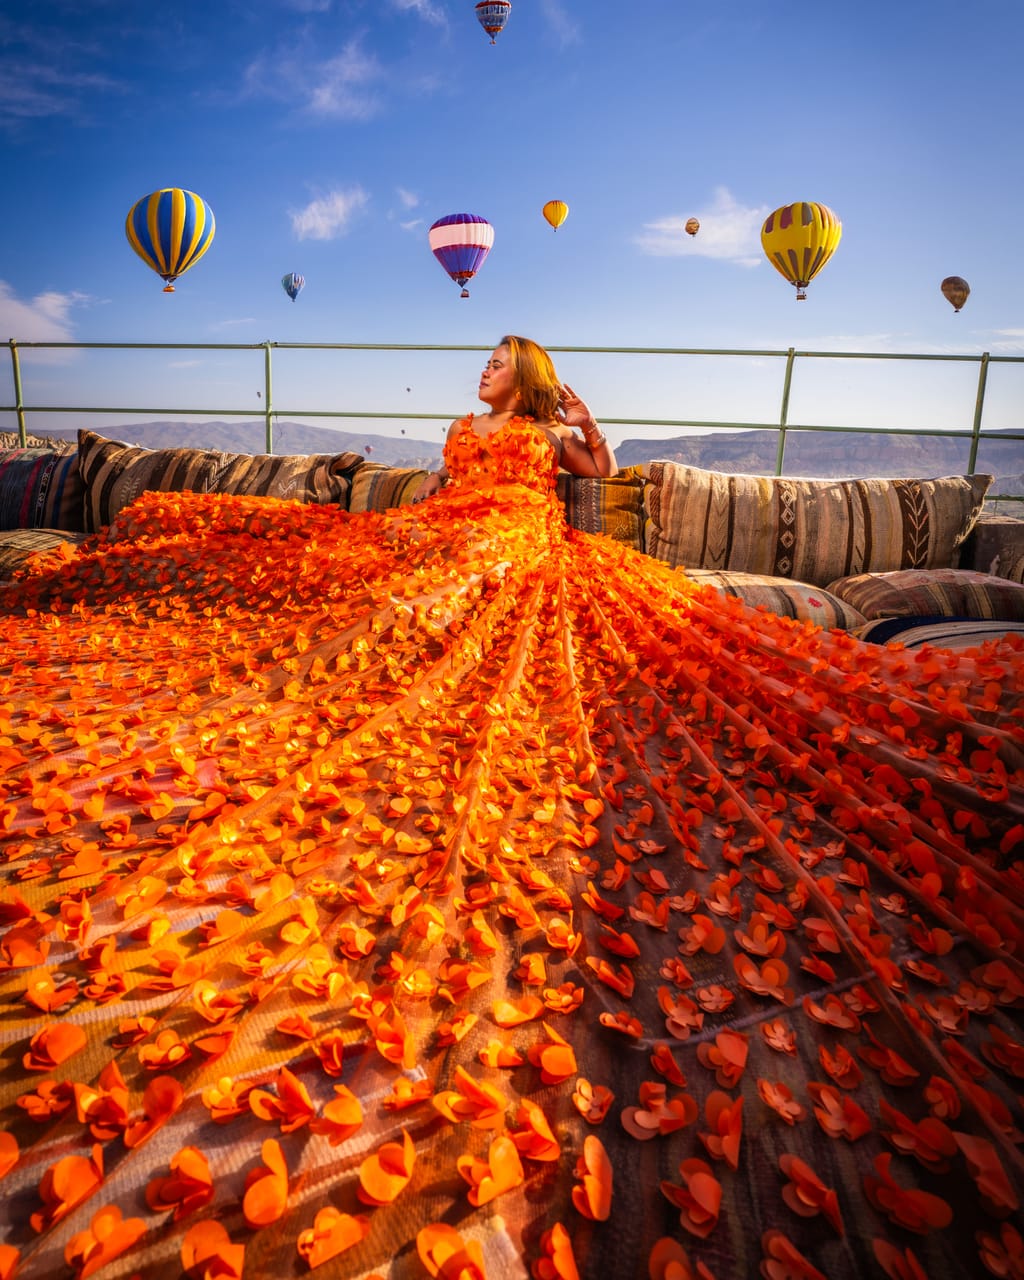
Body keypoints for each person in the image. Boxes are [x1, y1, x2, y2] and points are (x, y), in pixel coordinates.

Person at [0, 337, 1021, 1280]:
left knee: (479, 596)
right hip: (442, 539)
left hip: (519, 553)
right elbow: (446, 496)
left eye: (496, 361)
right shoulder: (459, 434)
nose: (480, 372)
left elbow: (595, 474)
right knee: (330, 575)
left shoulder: (543, 433)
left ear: (524, 376)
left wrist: (582, 423)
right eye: (483, 361)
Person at [411, 334, 617, 504]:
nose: (484, 372)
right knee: (391, 531)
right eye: (487, 365)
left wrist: (589, 425)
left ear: (522, 381)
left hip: (517, 537)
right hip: (457, 524)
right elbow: (470, 465)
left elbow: (604, 471)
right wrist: (437, 476)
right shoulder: (460, 428)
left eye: (496, 366)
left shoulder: (553, 431)